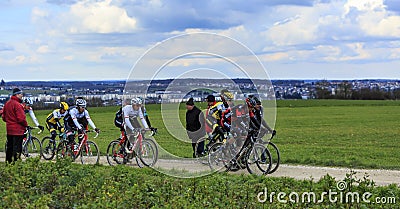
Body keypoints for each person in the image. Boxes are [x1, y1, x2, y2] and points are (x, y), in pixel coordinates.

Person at [2, 88, 28, 163]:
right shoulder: (17, 105)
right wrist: (26, 125)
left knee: (9, 147)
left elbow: (4, 117)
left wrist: (10, 122)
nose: (22, 96)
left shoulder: (7, 103)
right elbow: (21, 119)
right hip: (18, 131)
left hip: (9, 130)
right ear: (16, 95)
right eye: (21, 94)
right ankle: (16, 164)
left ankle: (8, 162)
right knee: (17, 148)